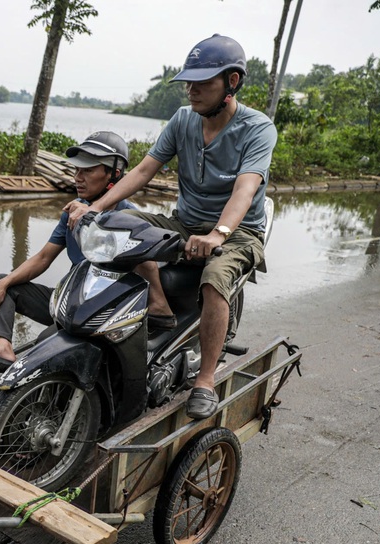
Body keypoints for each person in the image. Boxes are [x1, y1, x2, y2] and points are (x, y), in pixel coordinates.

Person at [66, 34, 277, 420]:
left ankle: (205, 380)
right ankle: (158, 306)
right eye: (188, 82)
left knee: (214, 279)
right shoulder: (183, 119)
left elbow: (245, 189)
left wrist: (219, 235)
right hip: (183, 222)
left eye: (203, 82)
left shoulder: (257, 128)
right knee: (116, 225)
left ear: (231, 83)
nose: (191, 90)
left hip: (239, 230)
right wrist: (93, 207)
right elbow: (145, 170)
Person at [0, 131, 140, 373]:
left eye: (87, 171)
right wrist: (5, 283)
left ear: (114, 174)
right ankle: (2, 347)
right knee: (1, 284)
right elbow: (43, 258)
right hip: (70, 301)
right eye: (76, 171)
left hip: (100, 312)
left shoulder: (129, 218)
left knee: (47, 341)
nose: (78, 178)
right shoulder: (72, 212)